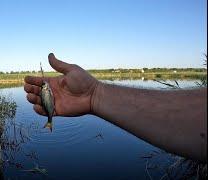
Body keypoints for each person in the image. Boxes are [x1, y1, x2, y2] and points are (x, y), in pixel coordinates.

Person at [24, 53, 207, 162]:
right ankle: (50, 119)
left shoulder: (46, 89)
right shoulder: (48, 89)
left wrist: (95, 93)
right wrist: (95, 94)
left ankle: (50, 120)